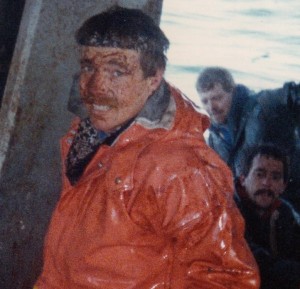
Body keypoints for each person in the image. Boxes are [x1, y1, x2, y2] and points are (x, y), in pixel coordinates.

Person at [34, 6, 259, 289]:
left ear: (154, 78)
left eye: (117, 71)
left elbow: (227, 279)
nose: (95, 86)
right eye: (88, 66)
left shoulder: (180, 170)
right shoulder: (86, 138)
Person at [196, 67, 300, 202]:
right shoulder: (214, 139)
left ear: (232, 91)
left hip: (292, 195)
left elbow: (290, 94)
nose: (211, 107)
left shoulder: (261, 105)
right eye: (205, 101)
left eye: (217, 98)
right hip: (261, 206)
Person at [236, 144, 300, 289]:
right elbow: (250, 259)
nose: (267, 183)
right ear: (243, 179)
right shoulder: (227, 211)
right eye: (260, 174)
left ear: (283, 186)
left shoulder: (283, 212)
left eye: (275, 177)